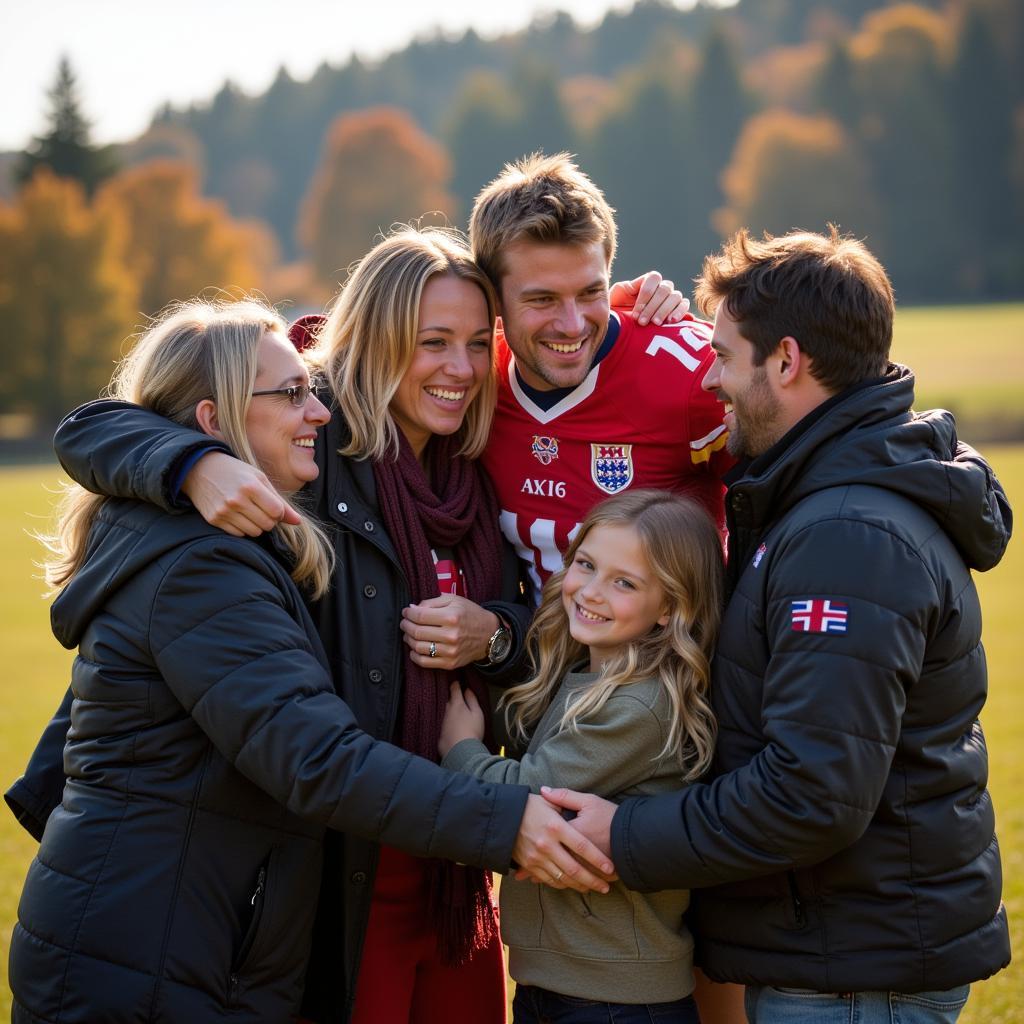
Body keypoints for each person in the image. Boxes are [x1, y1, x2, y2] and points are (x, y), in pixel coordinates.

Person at [14, 232, 621, 1024]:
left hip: (448, 867)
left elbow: (531, 625)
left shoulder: (477, 463)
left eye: (479, 344)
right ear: (376, 339)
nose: (463, 368)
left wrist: (495, 636)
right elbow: (98, 425)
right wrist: (195, 461)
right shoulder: (307, 448)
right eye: (431, 342)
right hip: (333, 863)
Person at [543, 227, 1013, 1024]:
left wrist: (625, 837)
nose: (712, 380)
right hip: (845, 950)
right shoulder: (824, 495)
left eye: (724, 356)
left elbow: (812, 793)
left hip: (856, 973)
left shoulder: (845, 534)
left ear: (787, 362)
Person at [438, 490, 724, 1024]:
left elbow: (531, 793)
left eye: (625, 583)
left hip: (616, 999)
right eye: (586, 565)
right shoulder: (586, 676)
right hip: (559, 984)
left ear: (670, 609)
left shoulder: (641, 703)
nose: (590, 592)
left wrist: (461, 750)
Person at [469, 152, 735, 593]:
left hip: (673, 659)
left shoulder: (691, 375)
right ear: (493, 299)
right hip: (536, 656)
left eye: (591, 292)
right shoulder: (473, 380)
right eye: (542, 300)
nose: (572, 325)